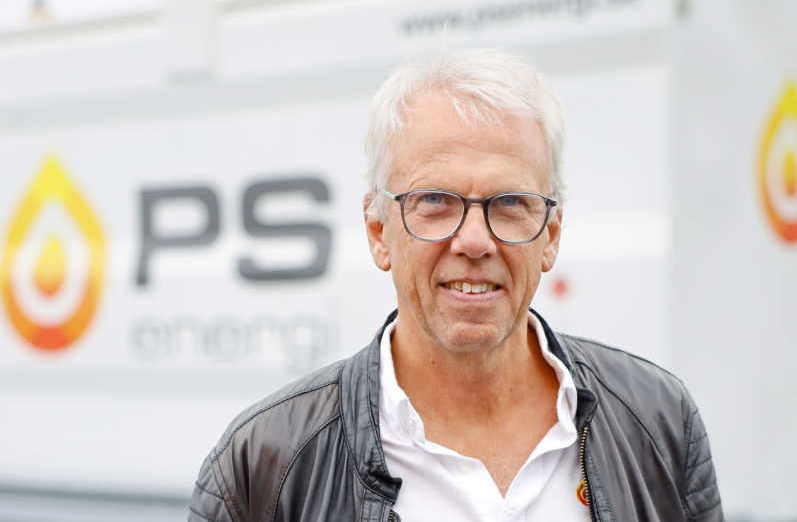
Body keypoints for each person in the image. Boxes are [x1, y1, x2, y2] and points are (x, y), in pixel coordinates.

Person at [188, 48, 723, 522]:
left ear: (551, 235)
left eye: (509, 203)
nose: (473, 241)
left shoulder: (659, 419)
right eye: (435, 200)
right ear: (378, 231)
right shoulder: (265, 463)